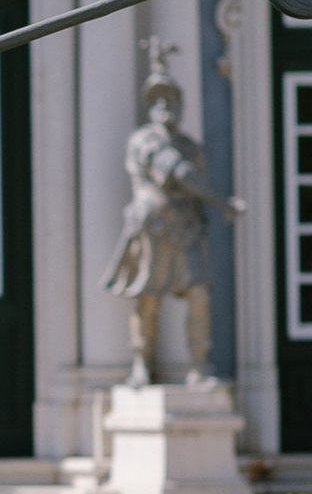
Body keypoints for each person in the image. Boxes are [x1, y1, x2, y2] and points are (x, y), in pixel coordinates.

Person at [102, 43, 241, 387]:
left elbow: (193, 179)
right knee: (146, 300)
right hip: (154, 227)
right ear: (150, 107)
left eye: (171, 100)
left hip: (188, 229)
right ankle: (140, 364)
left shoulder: (191, 145)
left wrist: (209, 213)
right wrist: (223, 204)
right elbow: (183, 175)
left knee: (199, 296)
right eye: (158, 101)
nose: (165, 107)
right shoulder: (145, 142)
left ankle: (199, 365)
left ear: (181, 105)